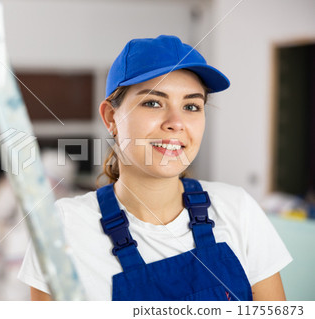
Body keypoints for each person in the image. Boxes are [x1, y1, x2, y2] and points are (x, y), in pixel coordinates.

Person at [18, 35, 292, 301]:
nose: (176, 122)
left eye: (191, 106)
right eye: (153, 102)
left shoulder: (238, 210)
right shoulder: (61, 228)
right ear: (111, 117)